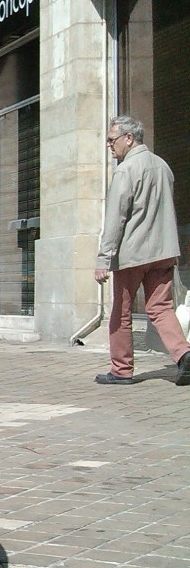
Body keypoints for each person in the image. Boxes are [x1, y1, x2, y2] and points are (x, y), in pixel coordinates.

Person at [94, 116, 190, 386]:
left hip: (133, 254)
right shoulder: (163, 166)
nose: (109, 146)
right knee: (161, 308)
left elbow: (116, 218)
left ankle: (121, 370)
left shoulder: (126, 170)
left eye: (112, 140)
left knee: (121, 312)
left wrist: (104, 258)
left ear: (129, 138)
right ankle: (184, 354)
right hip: (164, 250)